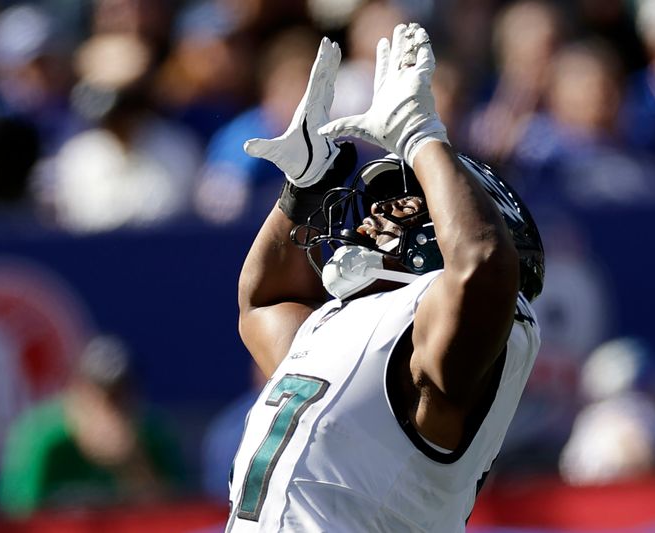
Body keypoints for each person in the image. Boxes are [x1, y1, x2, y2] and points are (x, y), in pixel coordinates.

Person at [228, 24, 544, 531]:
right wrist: (304, 191)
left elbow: (482, 265)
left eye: (406, 201)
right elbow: (265, 303)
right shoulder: (340, 323)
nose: (372, 216)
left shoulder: (462, 323)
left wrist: (421, 137)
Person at [0, 335, 186, 517]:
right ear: (77, 390)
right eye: (102, 393)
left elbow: (182, 517)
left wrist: (133, 464)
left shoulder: (153, 435)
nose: (111, 406)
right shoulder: (43, 439)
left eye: (121, 393)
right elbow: (16, 519)